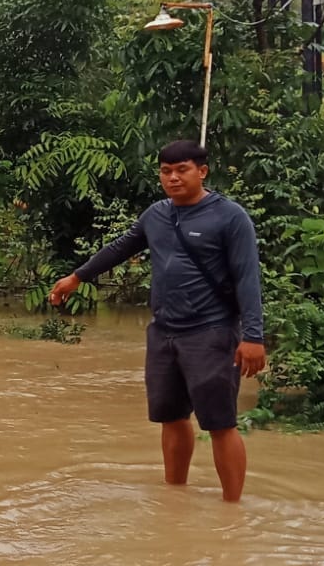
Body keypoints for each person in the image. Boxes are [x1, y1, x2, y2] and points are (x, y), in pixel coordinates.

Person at [48, 140, 266, 503]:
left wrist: (254, 336)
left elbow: (247, 277)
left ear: (202, 172)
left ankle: (233, 509)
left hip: (211, 332)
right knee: (171, 416)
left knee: (220, 423)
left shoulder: (230, 217)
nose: (173, 178)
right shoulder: (157, 215)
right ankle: (174, 495)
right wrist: (77, 277)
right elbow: (120, 247)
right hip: (164, 333)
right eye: (166, 172)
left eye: (182, 170)